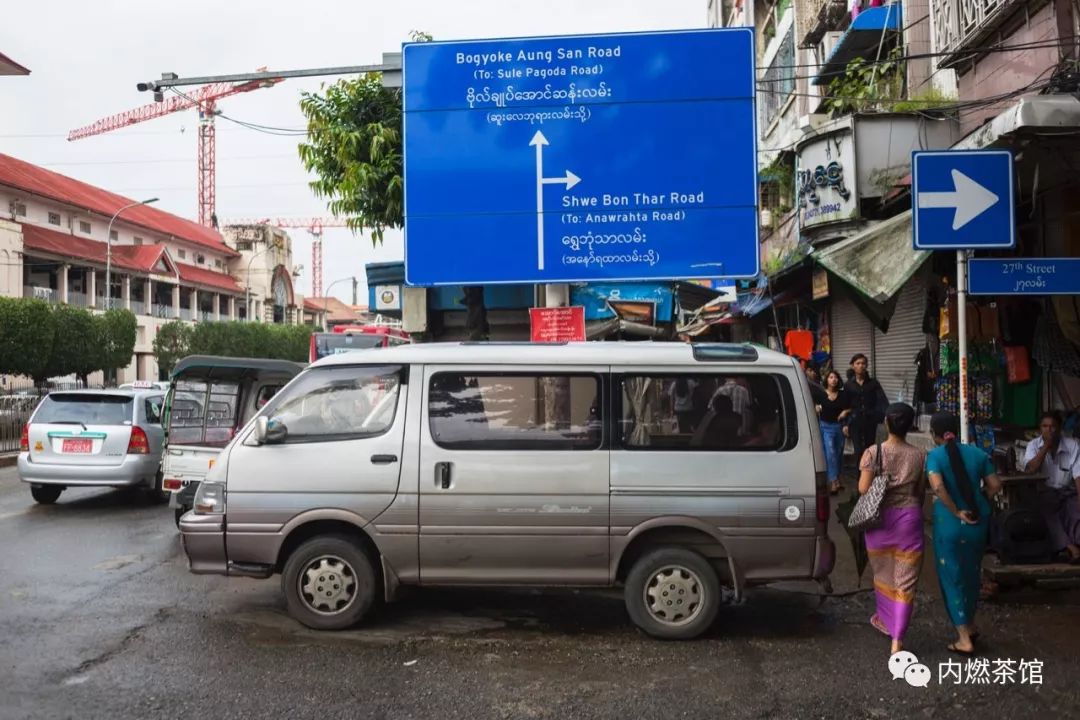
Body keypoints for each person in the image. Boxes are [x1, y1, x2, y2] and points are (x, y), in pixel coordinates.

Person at [927, 412, 1002, 656]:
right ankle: (970, 625)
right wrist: (981, 501)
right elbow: (995, 485)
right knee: (971, 574)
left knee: (952, 576)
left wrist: (956, 511)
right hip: (977, 521)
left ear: (934, 434)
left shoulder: (935, 456)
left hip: (949, 523)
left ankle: (963, 638)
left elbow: (938, 486)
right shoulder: (978, 454)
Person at [858, 402, 926, 655]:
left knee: (884, 576)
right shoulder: (920, 455)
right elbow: (920, 491)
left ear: (886, 423)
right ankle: (897, 640)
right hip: (910, 519)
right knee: (906, 581)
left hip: (879, 522)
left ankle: (887, 621)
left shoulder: (873, 452)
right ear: (910, 426)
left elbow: (863, 489)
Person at [1023, 411, 1080, 563]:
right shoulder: (1033, 445)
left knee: (1075, 511)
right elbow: (1031, 469)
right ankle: (1070, 548)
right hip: (1044, 492)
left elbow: (1078, 476)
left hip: (1067, 492)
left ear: (1060, 428)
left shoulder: (1072, 445)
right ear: (1040, 429)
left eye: (1053, 426)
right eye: (1045, 426)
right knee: (1048, 514)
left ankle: (1075, 545)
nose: (1049, 430)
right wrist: (1046, 447)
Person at [844, 353, 888, 471]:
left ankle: (869, 475)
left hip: (870, 421)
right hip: (855, 421)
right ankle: (860, 477)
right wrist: (845, 424)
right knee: (858, 450)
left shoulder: (873, 383)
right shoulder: (848, 385)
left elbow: (882, 400)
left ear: (866, 365)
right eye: (858, 363)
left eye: (863, 363)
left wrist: (883, 416)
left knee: (870, 449)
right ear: (853, 366)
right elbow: (845, 405)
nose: (861, 366)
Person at [818, 370, 852, 495]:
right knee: (830, 453)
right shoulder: (821, 394)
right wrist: (816, 407)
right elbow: (813, 405)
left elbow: (850, 407)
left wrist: (845, 412)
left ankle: (837, 478)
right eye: (831, 377)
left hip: (839, 427)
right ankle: (833, 481)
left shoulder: (842, 394)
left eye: (836, 377)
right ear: (827, 379)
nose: (833, 379)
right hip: (825, 427)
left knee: (838, 454)